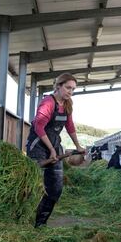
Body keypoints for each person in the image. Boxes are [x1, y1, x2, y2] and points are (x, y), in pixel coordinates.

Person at [26, 73, 85, 228]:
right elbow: (38, 126)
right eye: (67, 88)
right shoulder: (48, 103)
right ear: (58, 86)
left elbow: (70, 126)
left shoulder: (67, 104)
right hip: (38, 145)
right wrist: (51, 149)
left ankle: (40, 223)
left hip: (54, 145)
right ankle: (22, 214)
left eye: (73, 89)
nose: (70, 92)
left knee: (56, 188)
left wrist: (78, 146)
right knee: (30, 182)